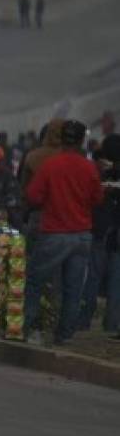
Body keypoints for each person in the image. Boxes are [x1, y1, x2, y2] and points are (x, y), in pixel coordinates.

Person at [24, 120, 103, 345]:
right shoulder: (90, 168)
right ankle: (65, 334)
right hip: (81, 236)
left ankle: (26, 327)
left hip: (54, 234)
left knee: (35, 281)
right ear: (81, 141)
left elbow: (33, 196)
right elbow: (97, 198)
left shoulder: (51, 165)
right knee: (73, 288)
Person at [78, 135, 120, 335]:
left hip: (100, 230)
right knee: (116, 280)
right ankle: (111, 324)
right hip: (115, 233)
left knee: (93, 277)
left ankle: (85, 319)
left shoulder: (100, 172)